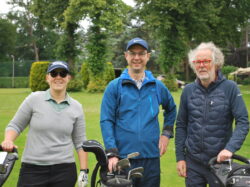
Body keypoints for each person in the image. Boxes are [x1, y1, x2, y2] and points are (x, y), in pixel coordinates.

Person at [100, 37, 177, 187]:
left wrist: (166, 134)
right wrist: (112, 153)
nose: (137, 57)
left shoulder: (157, 86)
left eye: (141, 53)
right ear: (126, 56)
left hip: (151, 158)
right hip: (123, 158)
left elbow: (171, 109)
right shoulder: (115, 87)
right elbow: (106, 120)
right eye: (132, 53)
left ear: (147, 56)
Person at [1, 61, 89, 187]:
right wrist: (8, 140)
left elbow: (80, 142)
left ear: (68, 78)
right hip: (32, 170)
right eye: (54, 73)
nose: (58, 77)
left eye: (63, 74)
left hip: (64, 172)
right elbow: (15, 125)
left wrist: (84, 171)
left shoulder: (76, 107)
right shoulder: (33, 99)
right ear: (47, 78)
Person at [175, 42, 249, 187]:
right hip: (193, 163)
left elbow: (243, 121)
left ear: (216, 63)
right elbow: (181, 125)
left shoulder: (230, 88)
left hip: (220, 163)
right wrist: (180, 158)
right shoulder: (188, 91)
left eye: (206, 61)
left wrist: (230, 148)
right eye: (198, 62)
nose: (201, 65)